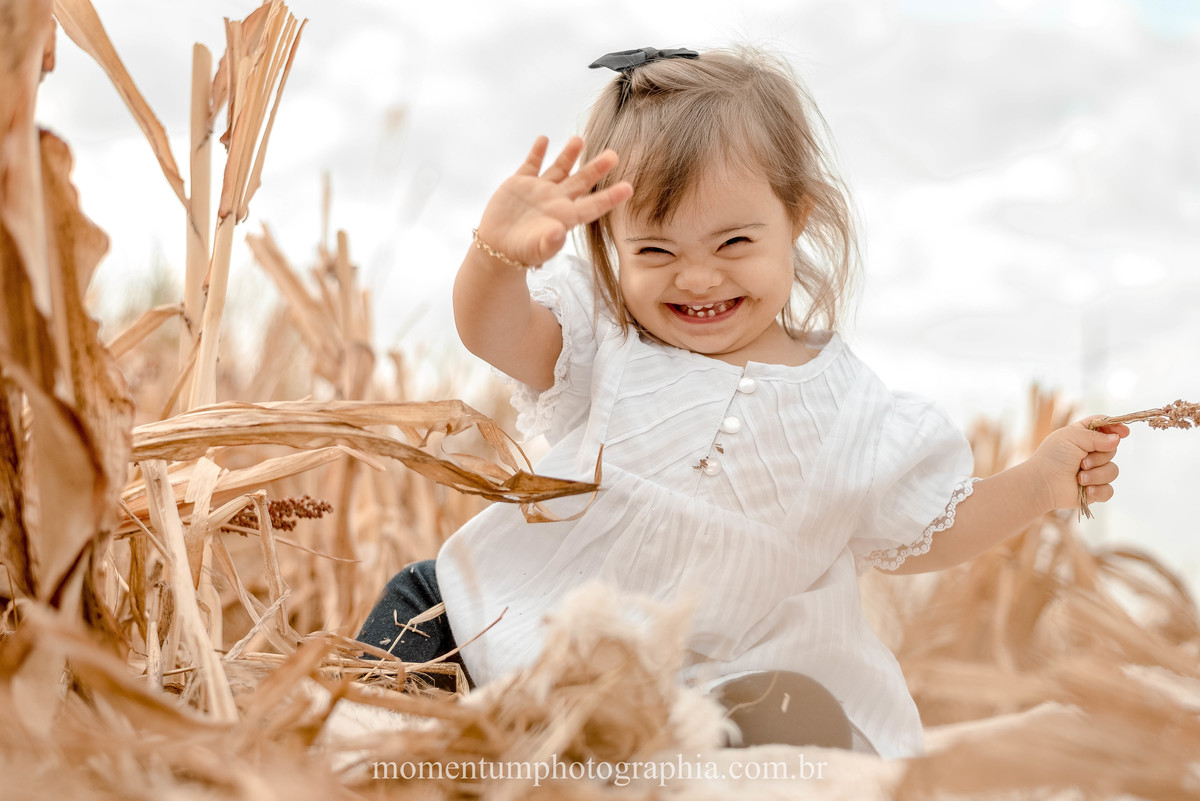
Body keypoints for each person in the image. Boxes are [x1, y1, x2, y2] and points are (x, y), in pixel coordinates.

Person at [357, 46, 1129, 759]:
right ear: (611, 248)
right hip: (527, 628)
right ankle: (366, 748)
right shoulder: (607, 338)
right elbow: (494, 333)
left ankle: (664, 760)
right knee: (420, 599)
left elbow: (936, 528)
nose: (696, 278)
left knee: (789, 708)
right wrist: (494, 257)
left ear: (798, 216)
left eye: (732, 245)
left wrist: (1038, 481)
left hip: (703, 676)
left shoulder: (850, 410)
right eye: (655, 251)